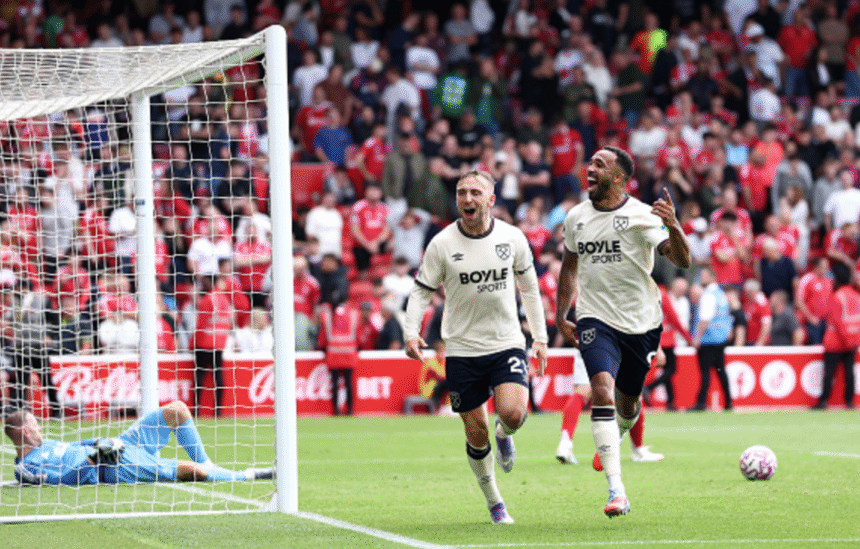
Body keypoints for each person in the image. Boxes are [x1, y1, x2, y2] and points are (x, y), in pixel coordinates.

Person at [403, 170, 549, 524]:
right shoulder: (442, 243)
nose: (467, 198)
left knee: (512, 413)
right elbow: (421, 291)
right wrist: (410, 331)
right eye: (461, 192)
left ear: (491, 199)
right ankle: (495, 502)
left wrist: (540, 337)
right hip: (462, 349)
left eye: (475, 192)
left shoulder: (512, 237)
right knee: (475, 432)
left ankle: (505, 434)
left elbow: (529, 289)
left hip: (506, 342)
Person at [554, 146, 691, 518]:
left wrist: (674, 225)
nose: (590, 168)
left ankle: (617, 433)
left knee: (628, 405)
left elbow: (683, 260)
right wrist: (561, 314)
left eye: (600, 164)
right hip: (594, 318)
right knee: (600, 389)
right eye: (591, 162)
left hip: (641, 323)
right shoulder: (575, 217)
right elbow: (569, 267)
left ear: (618, 177)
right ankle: (617, 490)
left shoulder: (642, 215)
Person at [5, 400, 272, 485]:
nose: (40, 427)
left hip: (118, 444)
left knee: (176, 410)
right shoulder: (26, 466)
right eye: (35, 425)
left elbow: (76, 445)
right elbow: (63, 480)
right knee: (193, 471)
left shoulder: (46, 444)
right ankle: (246, 475)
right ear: (25, 433)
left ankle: (209, 463)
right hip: (111, 465)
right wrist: (96, 457)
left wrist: (99, 442)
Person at [556, 347, 665, 465]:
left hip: (588, 342)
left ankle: (565, 444)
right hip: (618, 344)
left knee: (582, 391)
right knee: (632, 393)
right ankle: (638, 450)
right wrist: (658, 349)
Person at [815, 264, 859, 409]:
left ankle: (823, 401)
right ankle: (849, 401)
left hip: (835, 342)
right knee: (849, 373)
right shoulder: (856, 296)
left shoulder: (837, 296)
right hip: (851, 341)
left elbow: (837, 322)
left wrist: (846, 339)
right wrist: (854, 341)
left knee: (829, 373)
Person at [690, 266, 733, 412]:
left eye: (704, 275)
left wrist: (697, 337)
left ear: (712, 277)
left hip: (708, 339)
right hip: (720, 338)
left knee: (705, 372)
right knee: (721, 371)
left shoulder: (708, 295)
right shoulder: (721, 294)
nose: (701, 278)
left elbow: (705, 318)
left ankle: (701, 402)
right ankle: (728, 402)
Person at [318, 293, 360, 416]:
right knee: (348, 383)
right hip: (349, 354)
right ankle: (350, 409)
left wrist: (322, 347)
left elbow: (322, 337)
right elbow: (358, 335)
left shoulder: (327, 315)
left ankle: (335, 409)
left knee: (335, 383)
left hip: (333, 354)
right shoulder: (353, 314)